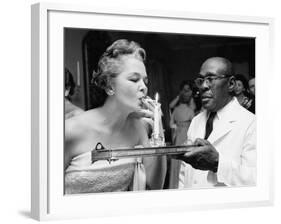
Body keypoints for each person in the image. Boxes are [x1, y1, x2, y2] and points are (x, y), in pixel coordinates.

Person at [64, 39, 166, 194]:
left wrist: (159, 128)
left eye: (145, 81)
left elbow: (155, 185)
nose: (144, 87)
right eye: (134, 79)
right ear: (110, 85)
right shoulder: (70, 130)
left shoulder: (138, 128)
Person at [174, 57, 256, 188]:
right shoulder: (196, 121)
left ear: (231, 84)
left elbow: (256, 181)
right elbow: (184, 176)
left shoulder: (251, 123)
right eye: (201, 80)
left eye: (211, 79)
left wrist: (217, 163)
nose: (204, 86)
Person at [167, 80, 195, 188]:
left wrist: (177, 127)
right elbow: (171, 106)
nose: (186, 92)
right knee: (182, 157)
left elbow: (171, 123)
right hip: (182, 133)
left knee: (181, 157)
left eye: (188, 90)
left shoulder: (190, 104)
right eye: (184, 90)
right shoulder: (184, 107)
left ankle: (178, 184)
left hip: (182, 134)